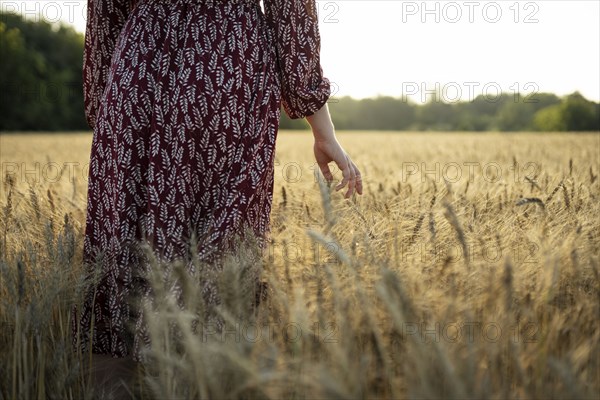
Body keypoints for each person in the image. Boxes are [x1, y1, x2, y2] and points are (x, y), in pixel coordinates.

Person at [74, 0, 362, 364]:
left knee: (125, 248)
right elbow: (291, 17)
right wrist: (324, 131)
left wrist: (110, 113)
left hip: (138, 70)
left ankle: (114, 380)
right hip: (228, 75)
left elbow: (104, 18)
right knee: (221, 251)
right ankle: (199, 376)